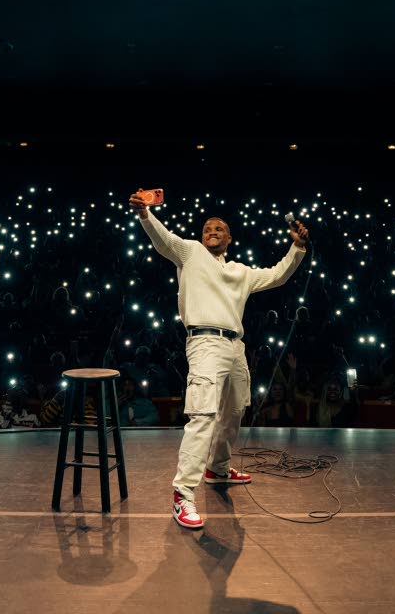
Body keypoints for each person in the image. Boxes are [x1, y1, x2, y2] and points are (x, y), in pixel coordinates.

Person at [130, 187, 308, 529]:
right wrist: (144, 213)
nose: (212, 231)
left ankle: (218, 468)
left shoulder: (241, 272)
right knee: (203, 415)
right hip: (205, 344)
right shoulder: (190, 253)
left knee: (236, 409)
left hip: (235, 347)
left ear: (229, 238)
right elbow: (163, 237)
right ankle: (183, 494)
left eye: (219, 229)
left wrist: (297, 247)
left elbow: (278, 275)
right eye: (207, 228)